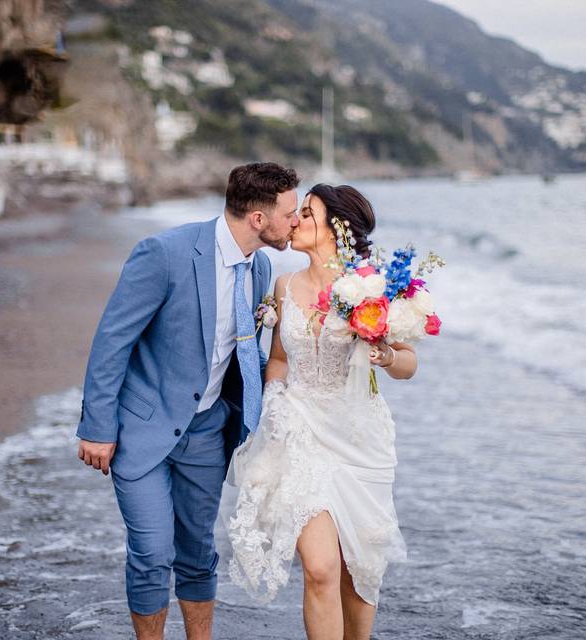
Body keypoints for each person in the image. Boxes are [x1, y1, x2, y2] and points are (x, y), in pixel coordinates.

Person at [76, 162, 300, 640]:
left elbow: (243, 351)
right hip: (144, 430)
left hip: (207, 433)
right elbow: (113, 340)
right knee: (153, 554)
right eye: (290, 212)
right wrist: (96, 426)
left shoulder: (260, 266)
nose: (296, 221)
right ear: (258, 219)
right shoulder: (165, 253)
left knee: (198, 553)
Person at [223, 184, 417, 640]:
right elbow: (280, 360)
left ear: (337, 228)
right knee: (321, 567)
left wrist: (385, 356)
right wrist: (272, 405)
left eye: (306, 214)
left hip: (359, 438)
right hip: (299, 432)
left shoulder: (374, 287)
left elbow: (408, 363)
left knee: (359, 568)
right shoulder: (284, 286)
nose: (294, 221)